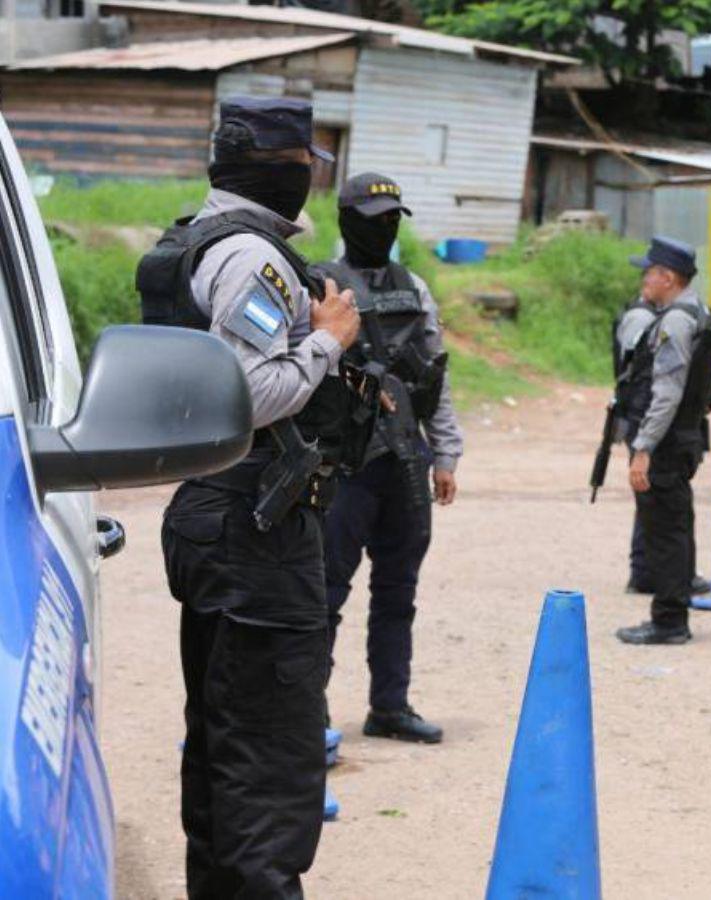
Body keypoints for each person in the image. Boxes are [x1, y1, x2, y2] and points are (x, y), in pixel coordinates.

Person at [141, 97, 363, 898]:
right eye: (306, 165)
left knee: (225, 745)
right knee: (269, 758)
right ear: (286, 169)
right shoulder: (251, 259)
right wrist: (328, 341)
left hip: (218, 511)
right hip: (254, 527)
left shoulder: (198, 239)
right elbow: (251, 392)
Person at [315, 173, 464, 744]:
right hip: (345, 466)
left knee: (398, 592)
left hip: (405, 459)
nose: (386, 228)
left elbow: (435, 378)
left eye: (394, 218)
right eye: (375, 219)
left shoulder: (414, 288)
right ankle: (310, 712)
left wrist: (445, 454)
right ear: (347, 220)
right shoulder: (323, 286)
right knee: (325, 592)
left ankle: (390, 706)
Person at [613, 236, 711, 646]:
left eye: (650, 273)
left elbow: (666, 392)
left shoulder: (675, 321)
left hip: (667, 442)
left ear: (668, 278)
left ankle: (669, 621)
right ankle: (672, 612)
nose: (644, 279)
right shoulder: (699, 311)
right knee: (676, 526)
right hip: (684, 436)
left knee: (663, 531)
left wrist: (643, 447)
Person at [617, 297, 711, 598]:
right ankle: (659, 581)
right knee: (660, 506)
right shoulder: (666, 318)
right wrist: (644, 443)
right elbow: (659, 389)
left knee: (656, 505)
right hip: (657, 427)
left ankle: (652, 578)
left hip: (659, 427)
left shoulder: (673, 317)